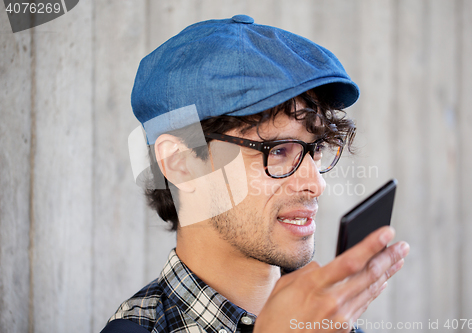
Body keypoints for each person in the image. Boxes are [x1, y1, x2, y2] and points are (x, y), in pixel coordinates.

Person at [101, 15, 409, 333]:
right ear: (180, 162)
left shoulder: (324, 320)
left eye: (315, 150)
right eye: (277, 151)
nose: (316, 183)